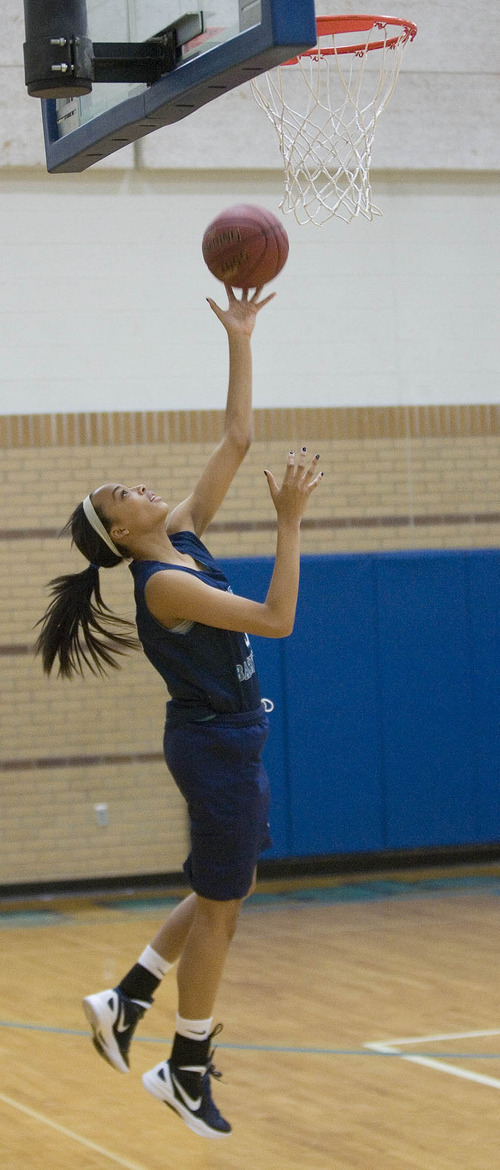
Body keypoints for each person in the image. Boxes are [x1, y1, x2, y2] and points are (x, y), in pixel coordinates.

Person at [35, 286, 323, 1140]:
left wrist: (240, 337)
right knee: (225, 904)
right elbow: (278, 619)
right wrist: (290, 523)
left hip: (226, 738)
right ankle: (184, 1066)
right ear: (120, 533)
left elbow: (237, 438)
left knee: (219, 887)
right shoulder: (162, 584)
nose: (141, 483)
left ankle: (127, 998)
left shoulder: (185, 533)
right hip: (214, 746)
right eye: (123, 490)